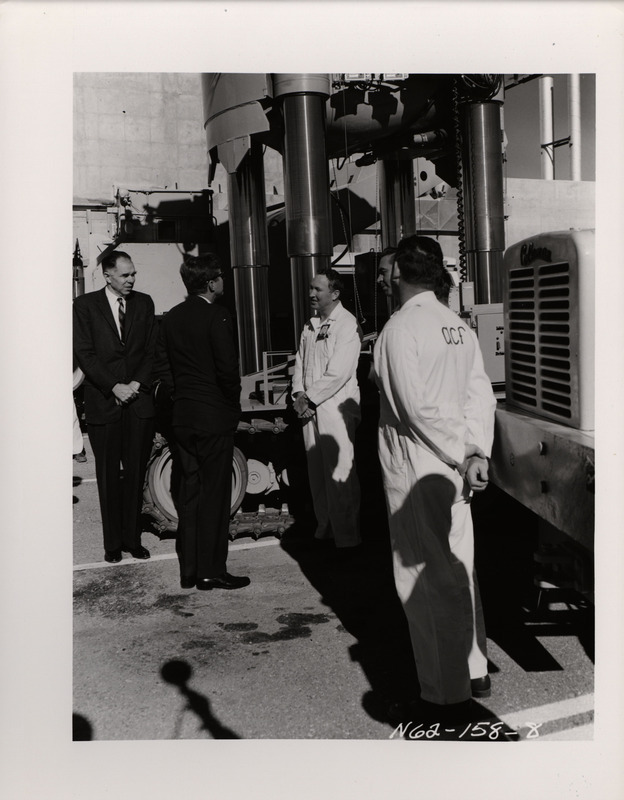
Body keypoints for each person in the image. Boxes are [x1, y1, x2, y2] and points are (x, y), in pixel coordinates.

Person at [373, 234, 496, 725]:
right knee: (460, 568)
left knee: (424, 580)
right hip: (458, 468)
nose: (383, 279)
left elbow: (413, 407)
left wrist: (460, 450)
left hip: (419, 465)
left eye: (386, 272)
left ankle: (444, 700)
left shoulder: (401, 328)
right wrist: (475, 451)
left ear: (400, 273)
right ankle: (473, 667)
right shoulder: (458, 327)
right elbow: (479, 396)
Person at [154, 253, 249, 591]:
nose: (224, 280)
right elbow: (227, 370)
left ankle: (190, 571)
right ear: (211, 283)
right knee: (215, 496)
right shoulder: (217, 316)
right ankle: (212, 570)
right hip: (212, 418)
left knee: (189, 494)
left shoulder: (172, 318)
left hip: (183, 417)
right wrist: (231, 409)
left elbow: (163, 367)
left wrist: (180, 396)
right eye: (220, 275)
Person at [73, 251, 157, 563]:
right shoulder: (85, 306)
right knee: (107, 475)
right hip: (104, 403)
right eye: (125, 275)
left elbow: (152, 349)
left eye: (133, 274)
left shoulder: (144, 303)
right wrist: (114, 386)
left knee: (135, 475)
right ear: (108, 275)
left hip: (138, 403)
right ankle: (112, 545)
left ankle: (133, 540)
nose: (131, 280)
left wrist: (135, 385)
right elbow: (84, 352)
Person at [292, 268, 362, 552]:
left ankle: (348, 540)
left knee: (340, 474)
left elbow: (339, 373)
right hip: (309, 408)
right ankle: (326, 531)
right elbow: (300, 363)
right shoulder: (310, 326)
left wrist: (308, 399)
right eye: (311, 288)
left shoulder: (346, 324)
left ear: (334, 294)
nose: (311, 294)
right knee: (318, 475)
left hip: (335, 409)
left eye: (317, 290)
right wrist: (299, 394)